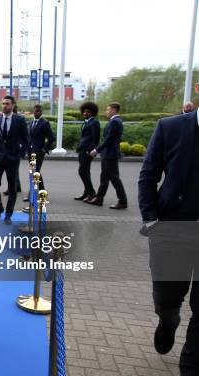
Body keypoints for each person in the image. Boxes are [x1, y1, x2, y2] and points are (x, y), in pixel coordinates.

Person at [137, 81, 199, 375]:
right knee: (167, 303)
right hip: (172, 231)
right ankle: (168, 321)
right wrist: (151, 220)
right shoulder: (171, 128)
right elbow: (148, 175)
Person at [0, 95, 29, 224]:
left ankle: (8, 214)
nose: (4, 106)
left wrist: (20, 155)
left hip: (13, 158)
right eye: (3, 104)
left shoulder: (20, 120)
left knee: (12, 188)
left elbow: (26, 139)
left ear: (13, 105)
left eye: (7, 104)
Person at [87, 102, 127, 209]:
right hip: (108, 154)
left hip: (110, 154)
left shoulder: (115, 122)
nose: (106, 111)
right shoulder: (115, 121)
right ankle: (99, 199)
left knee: (114, 178)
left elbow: (108, 139)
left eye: (108, 109)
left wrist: (97, 150)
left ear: (114, 110)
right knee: (104, 178)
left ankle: (122, 201)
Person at [74, 101, 101, 202]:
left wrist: (89, 150)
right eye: (84, 111)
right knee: (86, 172)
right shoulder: (86, 122)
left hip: (87, 152)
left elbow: (95, 139)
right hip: (82, 150)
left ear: (92, 112)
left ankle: (91, 193)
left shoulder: (94, 123)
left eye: (88, 112)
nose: (85, 113)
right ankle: (86, 193)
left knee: (82, 172)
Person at [27, 104, 54, 191]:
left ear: (41, 112)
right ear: (33, 112)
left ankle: (32, 192)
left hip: (39, 151)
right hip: (30, 151)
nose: (37, 113)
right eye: (36, 111)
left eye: (39, 111)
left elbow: (51, 137)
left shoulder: (45, 123)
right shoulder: (31, 122)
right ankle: (41, 190)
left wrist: (44, 149)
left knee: (36, 171)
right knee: (34, 171)